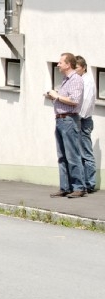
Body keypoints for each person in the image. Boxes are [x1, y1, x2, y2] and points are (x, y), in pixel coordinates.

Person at [46, 53, 87, 197]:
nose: (58, 65)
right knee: (62, 155)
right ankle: (65, 187)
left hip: (69, 119)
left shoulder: (76, 79)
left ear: (68, 64)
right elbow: (65, 98)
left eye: (60, 62)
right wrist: (54, 96)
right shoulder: (65, 80)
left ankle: (79, 187)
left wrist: (57, 96)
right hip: (60, 119)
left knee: (72, 155)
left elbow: (74, 100)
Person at [75, 55, 97, 194]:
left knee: (86, 153)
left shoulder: (87, 81)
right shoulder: (79, 80)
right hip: (80, 118)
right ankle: (83, 183)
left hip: (83, 120)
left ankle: (89, 184)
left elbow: (86, 101)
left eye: (76, 67)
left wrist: (79, 117)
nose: (75, 70)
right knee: (79, 152)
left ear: (83, 68)